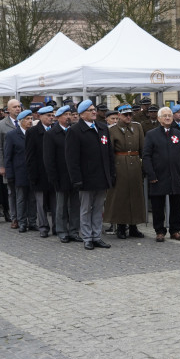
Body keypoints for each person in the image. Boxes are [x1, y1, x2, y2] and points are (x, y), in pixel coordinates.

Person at [65, 99, 115, 250]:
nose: (94, 112)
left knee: (99, 208)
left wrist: (111, 174)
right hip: (85, 178)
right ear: (81, 115)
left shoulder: (102, 128)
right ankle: (87, 237)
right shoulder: (74, 131)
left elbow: (109, 154)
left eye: (94, 109)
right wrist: (76, 179)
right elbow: (71, 159)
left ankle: (97, 236)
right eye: (90, 110)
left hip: (101, 176)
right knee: (86, 209)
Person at [143, 106, 180, 242]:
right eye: (165, 116)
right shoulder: (151, 134)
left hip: (176, 175)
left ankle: (175, 230)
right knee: (158, 205)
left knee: (176, 205)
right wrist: (151, 175)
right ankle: (159, 231)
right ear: (159, 119)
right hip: (158, 176)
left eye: (169, 115)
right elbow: (146, 156)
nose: (168, 117)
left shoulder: (178, 133)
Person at [104, 104, 146, 239]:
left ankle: (134, 226)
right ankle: (121, 226)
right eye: (125, 115)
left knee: (136, 195)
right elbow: (109, 152)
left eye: (130, 115)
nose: (128, 117)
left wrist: (143, 165)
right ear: (119, 115)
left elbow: (142, 148)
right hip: (119, 164)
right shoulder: (112, 129)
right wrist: (111, 170)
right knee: (120, 197)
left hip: (134, 165)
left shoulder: (137, 127)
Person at [44, 105, 81, 243]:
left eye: (70, 114)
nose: (68, 117)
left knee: (75, 205)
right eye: (65, 114)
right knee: (61, 206)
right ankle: (61, 230)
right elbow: (49, 158)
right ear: (58, 117)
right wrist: (53, 177)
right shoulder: (51, 134)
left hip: (74, 175)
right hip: (60, 175)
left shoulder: (74, 132)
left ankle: (74, 230)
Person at [25, 106, 55, 237]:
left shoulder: (55, 130)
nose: (51, 117)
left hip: (54, 173)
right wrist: (33, 176)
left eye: (52, 115)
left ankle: (57, 226)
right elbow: (30, 156)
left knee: (55, 203)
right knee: (41, 203)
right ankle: (43, 227)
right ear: (40, 116)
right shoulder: (32, 132)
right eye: (48, 115)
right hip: (39, 173)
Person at [3, 109, 34, 231]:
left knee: (32, 199)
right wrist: (9, 174)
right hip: (19, 172)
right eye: (27, 119)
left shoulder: (33, 133)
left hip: (32, 172)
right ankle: (22, 222)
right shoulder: (12, 135)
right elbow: (8, 156)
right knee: (20, 198)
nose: (30, 121)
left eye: (31, 119)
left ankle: (32, 221)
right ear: (20, 121)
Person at [0, 99, 22, 227]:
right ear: (8, 109)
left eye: (19, 106)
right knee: (12, 192)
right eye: (15, 107)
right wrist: (1, 165)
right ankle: (14, 217)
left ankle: (24, 216)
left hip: (23, 163)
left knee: (24, 192)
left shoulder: (25, 122)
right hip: (9, 163)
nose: (18, 109)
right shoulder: (1, 124)